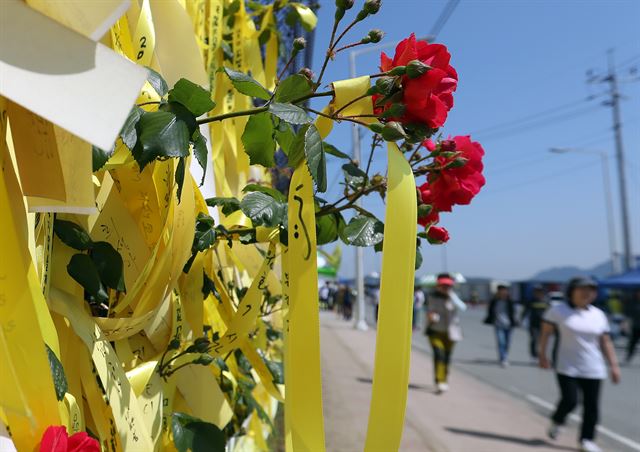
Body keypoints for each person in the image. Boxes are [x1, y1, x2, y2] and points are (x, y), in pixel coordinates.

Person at [539, 277, 620, 452]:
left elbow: (606, 342)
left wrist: (614, 365)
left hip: (593, 367)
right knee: (570, 400)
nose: (587, 293)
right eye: (582, 289)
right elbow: (545, 334)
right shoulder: (558, 311)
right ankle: (557, 420)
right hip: (567, 365)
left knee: (591, 406)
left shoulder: (598, 315)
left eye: (591, 290)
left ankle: (586, 440)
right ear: (571, 291)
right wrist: (542, 354)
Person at [424, 273, 465, 394]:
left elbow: (462, 307)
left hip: (451, 333)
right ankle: (439, 380)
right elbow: (429, 310)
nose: (445, 288)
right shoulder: (432, 297)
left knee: (446, 357)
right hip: (435, 331)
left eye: (447, 286)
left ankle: (444, 379)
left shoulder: (453, 297)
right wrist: (430, 315)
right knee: (438, 354)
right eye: (442, 286)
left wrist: (450, 295)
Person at [484, 284, 517, 367]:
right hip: (498, 324)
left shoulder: (510, 301)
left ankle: (504, 355)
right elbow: (490, 311)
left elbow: (514, 313)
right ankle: (503, 358)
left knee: (507, 343)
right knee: (501, 342)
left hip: (509, 325)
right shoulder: (495, 301)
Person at [521, 285, 549, 360]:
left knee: (542, 339)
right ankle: (533, 354)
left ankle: (541, 353)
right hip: (533, 324)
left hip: (543, 324)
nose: (538, 293)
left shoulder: (546, 302)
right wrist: (521, 319)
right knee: (534, 338)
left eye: (540, 292)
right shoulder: (531, 301)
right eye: (536, 292)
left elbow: (550, 313)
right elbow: (525, 311)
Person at [625, 288, 640, 364]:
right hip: (636, 326)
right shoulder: (633, 303)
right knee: (632, 343)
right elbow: (629, 314)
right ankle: (628, 357)